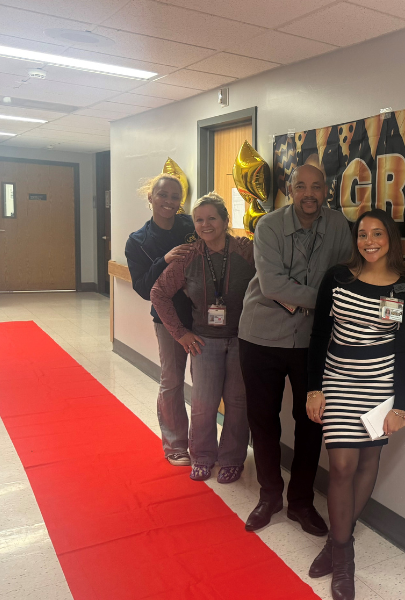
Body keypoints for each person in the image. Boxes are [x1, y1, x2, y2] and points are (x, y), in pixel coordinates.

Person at [305, 208, 405, 600]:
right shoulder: (337, 278)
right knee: (341, 465)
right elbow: (319, 335)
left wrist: (399, 406)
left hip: (379, 387)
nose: (369, 241)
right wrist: (314, 388)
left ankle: (337, 546)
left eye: (377, 234)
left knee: (368, 463)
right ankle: (344, 555)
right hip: (338, 381)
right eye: (362, 235)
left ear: (391, 239)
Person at [239, 164, 354, 533]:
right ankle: (269, 494)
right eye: (301, 186)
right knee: (263, 419)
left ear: (326, 191)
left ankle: (301, 503)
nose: (309, 193)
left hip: (311, 342)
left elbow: (346, 274)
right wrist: (325, 301)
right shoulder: (269, 226)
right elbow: (273, 285)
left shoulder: (338, 226)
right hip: (261, 336)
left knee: (310, 422)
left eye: (316, 187)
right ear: (289, 190)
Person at [151, 193, 255, 482]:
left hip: (241, 340)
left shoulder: (247, 252)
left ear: (225, 220)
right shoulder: (189, 256)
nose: (205, 224)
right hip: (204, 342)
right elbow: (158, 293)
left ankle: (233, 458)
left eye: (212, 218)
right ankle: (203, 456)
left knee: (237, 402)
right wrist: (180, 333)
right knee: (204, 404)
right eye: (199, 220)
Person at [125, 173, 196, 467]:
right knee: (172, 381)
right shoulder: (138, 241)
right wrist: (164, 259)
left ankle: (204, 443)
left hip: (205, 313)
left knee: (207, 382)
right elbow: (142, 287)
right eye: (163, 195)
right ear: (151, 197)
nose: (169, 202)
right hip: (169, 320)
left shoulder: (191, 225)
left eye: (175, 196)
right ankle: (175, 445)